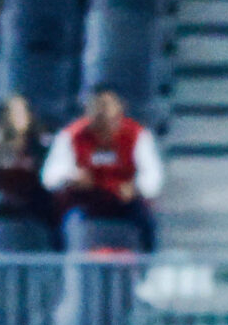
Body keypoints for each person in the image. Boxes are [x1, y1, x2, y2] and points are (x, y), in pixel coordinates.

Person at [43, 85, 163, 249]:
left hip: (123, 203)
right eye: (97, 106)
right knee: (58, 221)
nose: (102, 112)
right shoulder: (70, 135)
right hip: (84, 202)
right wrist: (71, 176)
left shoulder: (138, 135)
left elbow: (153, 176)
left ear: (120, 107)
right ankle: (61, 270)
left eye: (107, 105)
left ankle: (145, 270)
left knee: (148, 223)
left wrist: (135, 187)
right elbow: (49, 177)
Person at [0, 93, 52, 228]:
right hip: (2, 200)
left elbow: (46, 177)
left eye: (19, 112)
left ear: (29, 115)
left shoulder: (41, 145)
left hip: (34, 199)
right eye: (10, 113)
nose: (14, 117)